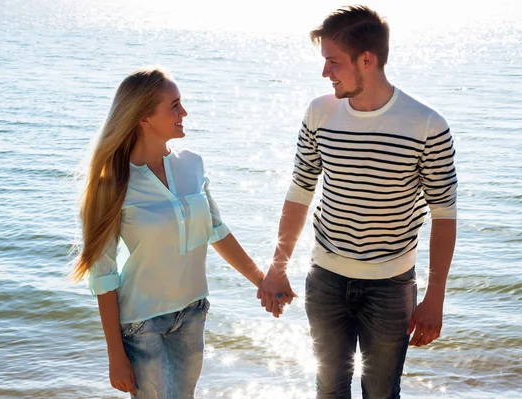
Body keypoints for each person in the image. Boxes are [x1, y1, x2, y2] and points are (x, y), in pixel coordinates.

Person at [258, 5, 458, 399]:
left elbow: (444, 214)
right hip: (326, 279)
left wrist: (435, 297)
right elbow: (300, 190)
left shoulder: (427, 125)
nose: (325, 73)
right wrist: (277, 266)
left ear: (367, 59)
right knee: (328, 390)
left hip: (391, 285)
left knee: (382, 393)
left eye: (333, 62)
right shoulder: (320, 112)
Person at [71, 67, 265, 399]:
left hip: (193, 312)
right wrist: (115, 355)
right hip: (141, 323)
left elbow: (216, 231)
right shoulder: (113, 184)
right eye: (174, 105)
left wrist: (263, 282)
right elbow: (103, 276)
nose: (184, 112)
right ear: (144, 117)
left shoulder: (192, 164)